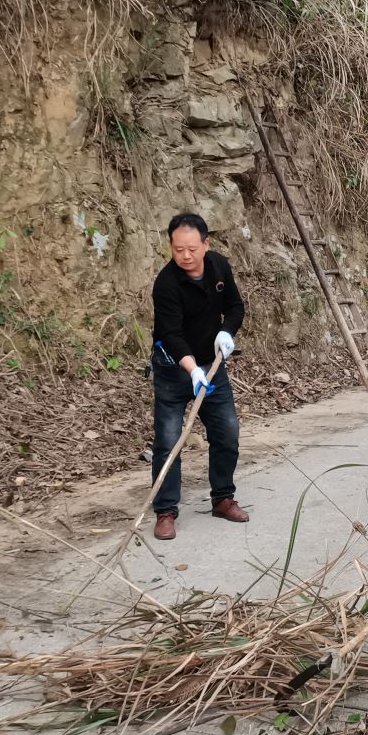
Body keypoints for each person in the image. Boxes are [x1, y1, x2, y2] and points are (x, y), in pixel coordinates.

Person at [149, 212, 248, 541]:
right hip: (173, 369)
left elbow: (235, 306)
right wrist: (192, 370)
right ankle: (165, 510)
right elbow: (170, 334)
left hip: (212, 365)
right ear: (171, 247)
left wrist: (226, 331)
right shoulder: (166, 284)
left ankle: (223, 498)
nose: (185, 256)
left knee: (227, 431)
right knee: (168, 442)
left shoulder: (219, 267)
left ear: (206, 244)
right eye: (178, 249)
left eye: (192, 248)